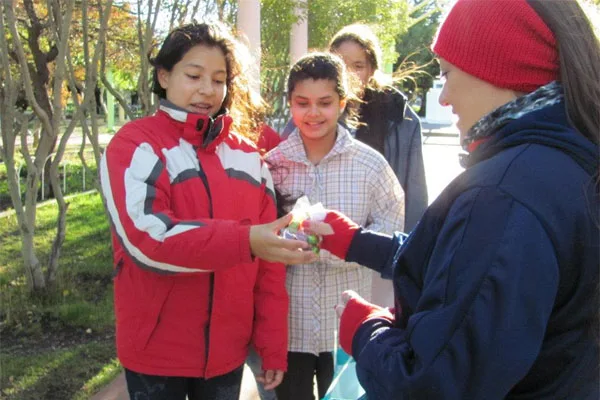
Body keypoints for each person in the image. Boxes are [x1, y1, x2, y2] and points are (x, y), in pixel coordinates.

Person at [306, 0, 600, 398]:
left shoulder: (504, 194)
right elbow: (462, 266)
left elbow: (433, 382)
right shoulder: (565, 163)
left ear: (499, 66)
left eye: (446, 74)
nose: (443, 98)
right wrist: (355, 241)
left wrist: (365, 332)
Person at [99, 22, 316, 400]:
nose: (207, 90)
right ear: (164, 75)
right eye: (194, 75)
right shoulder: (136, 145)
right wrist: (246, 240)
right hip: (156, 354)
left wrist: (271, 344)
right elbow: (150, 239)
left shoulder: (248, 157)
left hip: (227, 354)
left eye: (219, 79)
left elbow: (269, 265)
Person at [265, 52, 405, 400]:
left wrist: (343, 248)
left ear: (343, 102)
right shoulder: (273, 165)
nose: (313, 113)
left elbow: (392, 226)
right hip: (290, 324)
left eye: (325, 103)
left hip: (346, 322)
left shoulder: (369, 164)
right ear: (290, 104)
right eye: (303, 103)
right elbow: (259, 232)